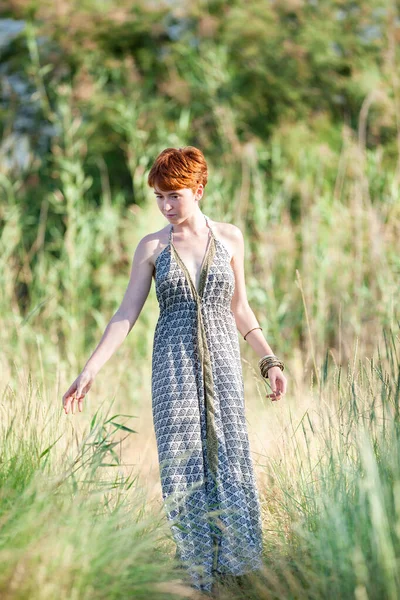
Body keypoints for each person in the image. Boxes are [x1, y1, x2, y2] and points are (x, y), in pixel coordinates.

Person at [62, 146, 287, 593]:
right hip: (173, 368)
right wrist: (90, 369)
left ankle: (239, 571)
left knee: (230, 455)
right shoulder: (152, 247)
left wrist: (269, 360)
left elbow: (240, 308)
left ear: (198, 190)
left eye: (174, 195)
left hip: (223, 365)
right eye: (159, 197)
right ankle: (197, 574)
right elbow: (126, 313)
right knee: (183, 463)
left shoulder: (230, 238)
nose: (166, 205)